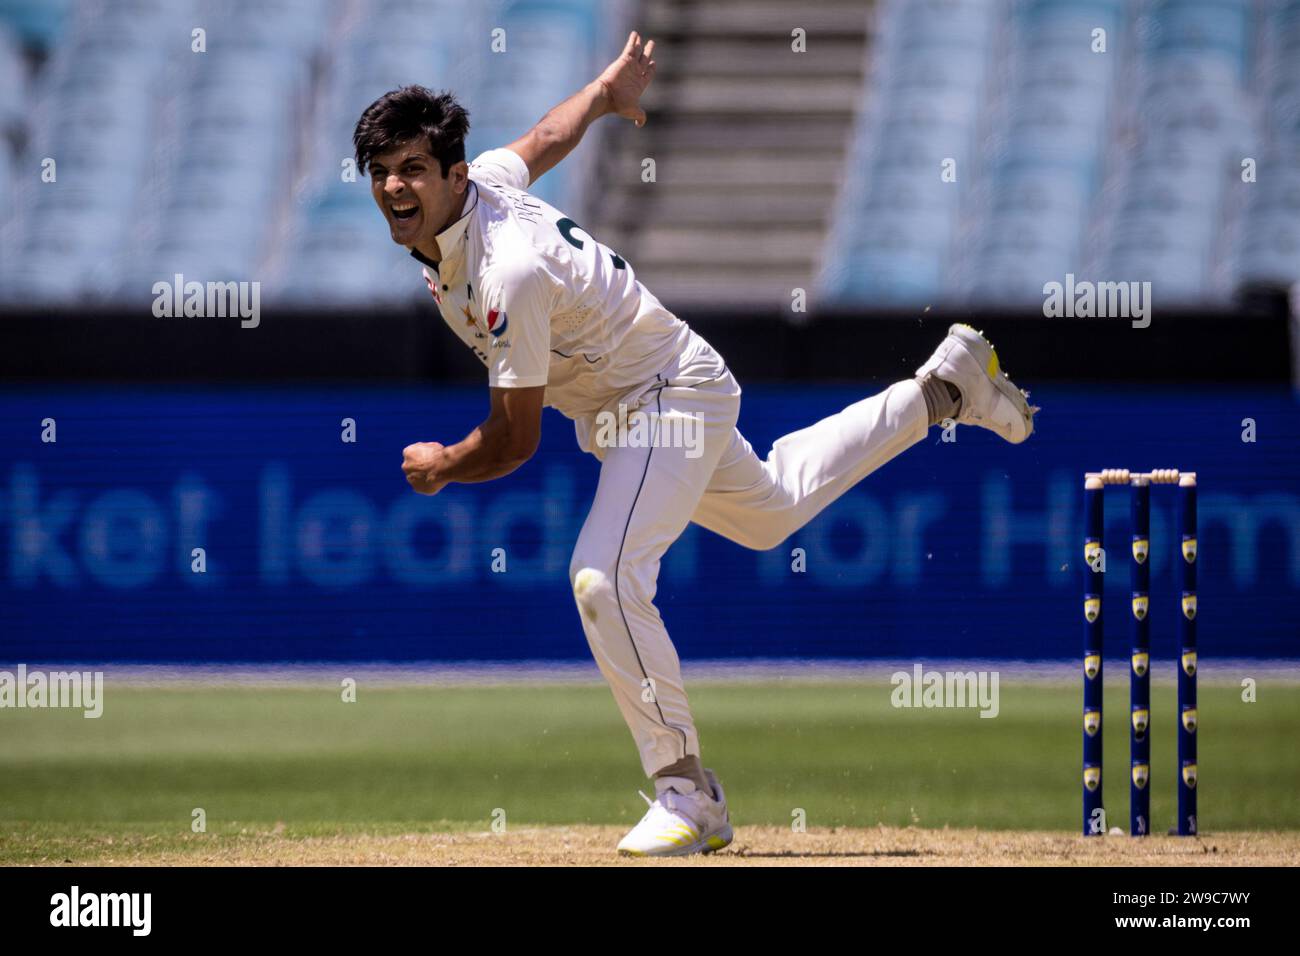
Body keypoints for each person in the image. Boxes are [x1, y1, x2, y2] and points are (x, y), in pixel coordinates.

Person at [353, 32, 1037, 857]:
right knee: (772, 511)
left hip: (667, 395)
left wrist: (441, 467)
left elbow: (514, 440)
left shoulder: (509, 272)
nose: (395, 185)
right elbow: (541, 139)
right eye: (382, 170)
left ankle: (687, 792)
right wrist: (604, 95)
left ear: (453, 175)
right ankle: (944, 389)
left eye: (413, 169)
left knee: (603, 578)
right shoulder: (483, 186)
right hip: (633, 404)